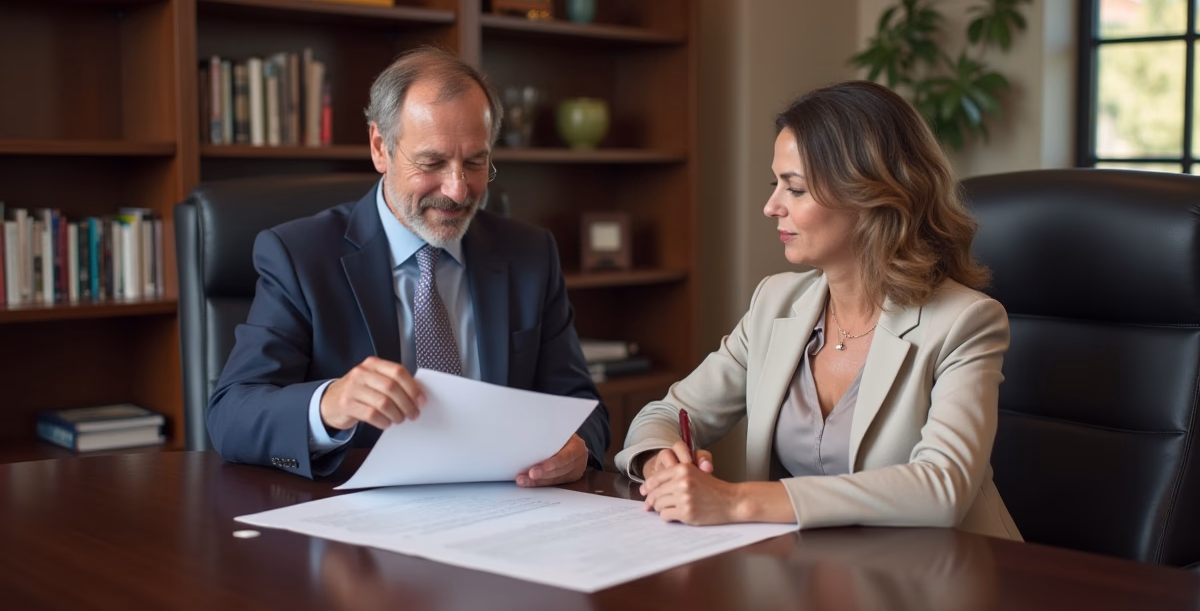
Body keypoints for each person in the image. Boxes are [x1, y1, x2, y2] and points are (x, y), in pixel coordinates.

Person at [616, 80, 1021, 539]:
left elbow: (943, 487)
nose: (771, 207)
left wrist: (737, 501)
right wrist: (659, 460)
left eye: (796, 189)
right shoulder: (775, 303)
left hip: (943, 577)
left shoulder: (965, 322)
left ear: (871, 196)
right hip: (810, 573)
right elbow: (667, 414)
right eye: (776, 185)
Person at [208, 47, 609, 484]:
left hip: (503, 510)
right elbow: (231, 416)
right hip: (356, 522)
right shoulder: (299, 256)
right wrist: (330, 403)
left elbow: (581, 404)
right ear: (381, 147)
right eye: (432, 163)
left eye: (475, 162)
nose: (457, 191)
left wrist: (578, 447)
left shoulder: (530, 254)